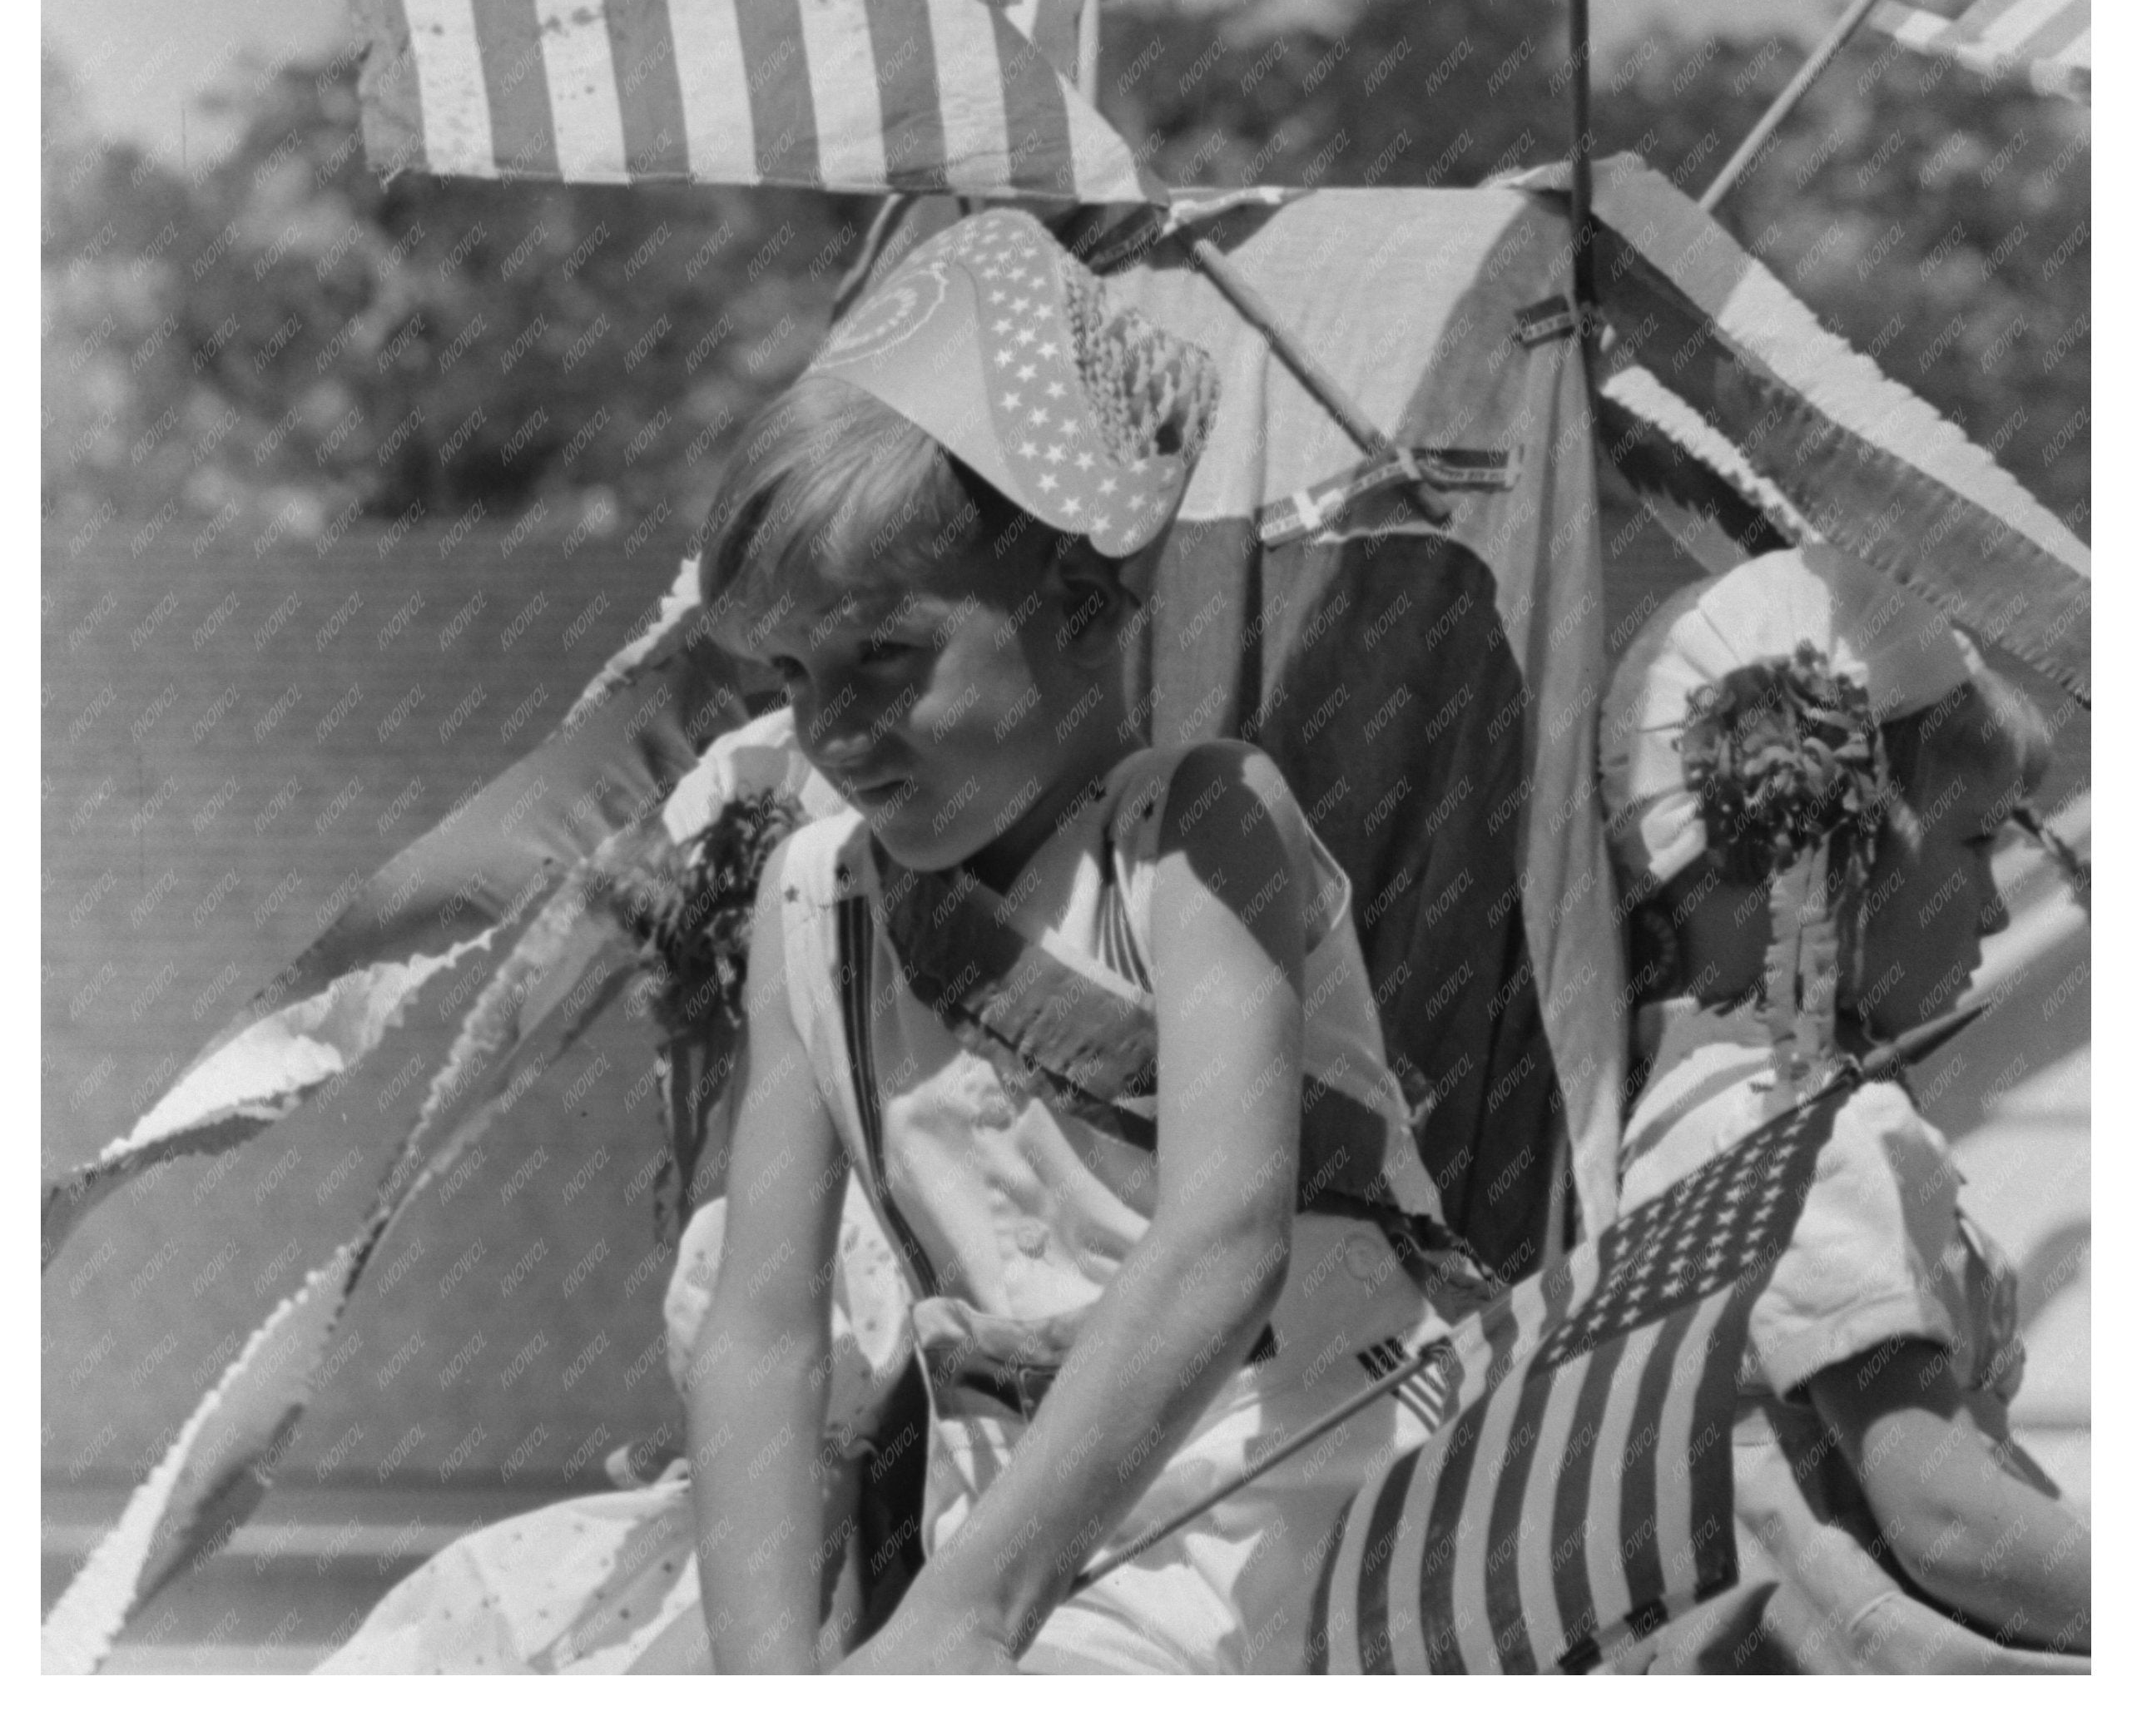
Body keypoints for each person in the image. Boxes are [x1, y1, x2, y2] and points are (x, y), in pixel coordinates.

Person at [680, 204, 1486, 1674]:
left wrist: (964, 1617)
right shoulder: (812, 910)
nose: (831, 727)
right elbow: (760, 1329)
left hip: (1287, 1516)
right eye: (794, 672)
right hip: (1014, 1562)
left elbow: (1221, 1244)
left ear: (1077, 602)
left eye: (886, 656)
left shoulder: (1196, 835)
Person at [1596, 542, 2090, 1673]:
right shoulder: (1809, 1137)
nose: (1991, 909)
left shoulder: (1671, 1116)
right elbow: (1948, 1517)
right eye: (1972, 845)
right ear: (1827, 849)